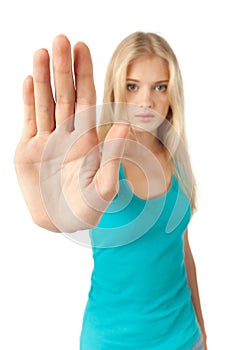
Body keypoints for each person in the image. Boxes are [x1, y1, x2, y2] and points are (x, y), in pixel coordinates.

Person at [14, 31, 207, 349]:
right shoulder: (94, 164)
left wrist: (202, 330)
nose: (147, 101)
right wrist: (52, 210)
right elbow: (72, 211)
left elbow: (182, 252)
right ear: (117, 88)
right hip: (111, 342)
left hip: (184, 338)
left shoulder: (177, 158)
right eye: (133, 86)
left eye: (160, 87)